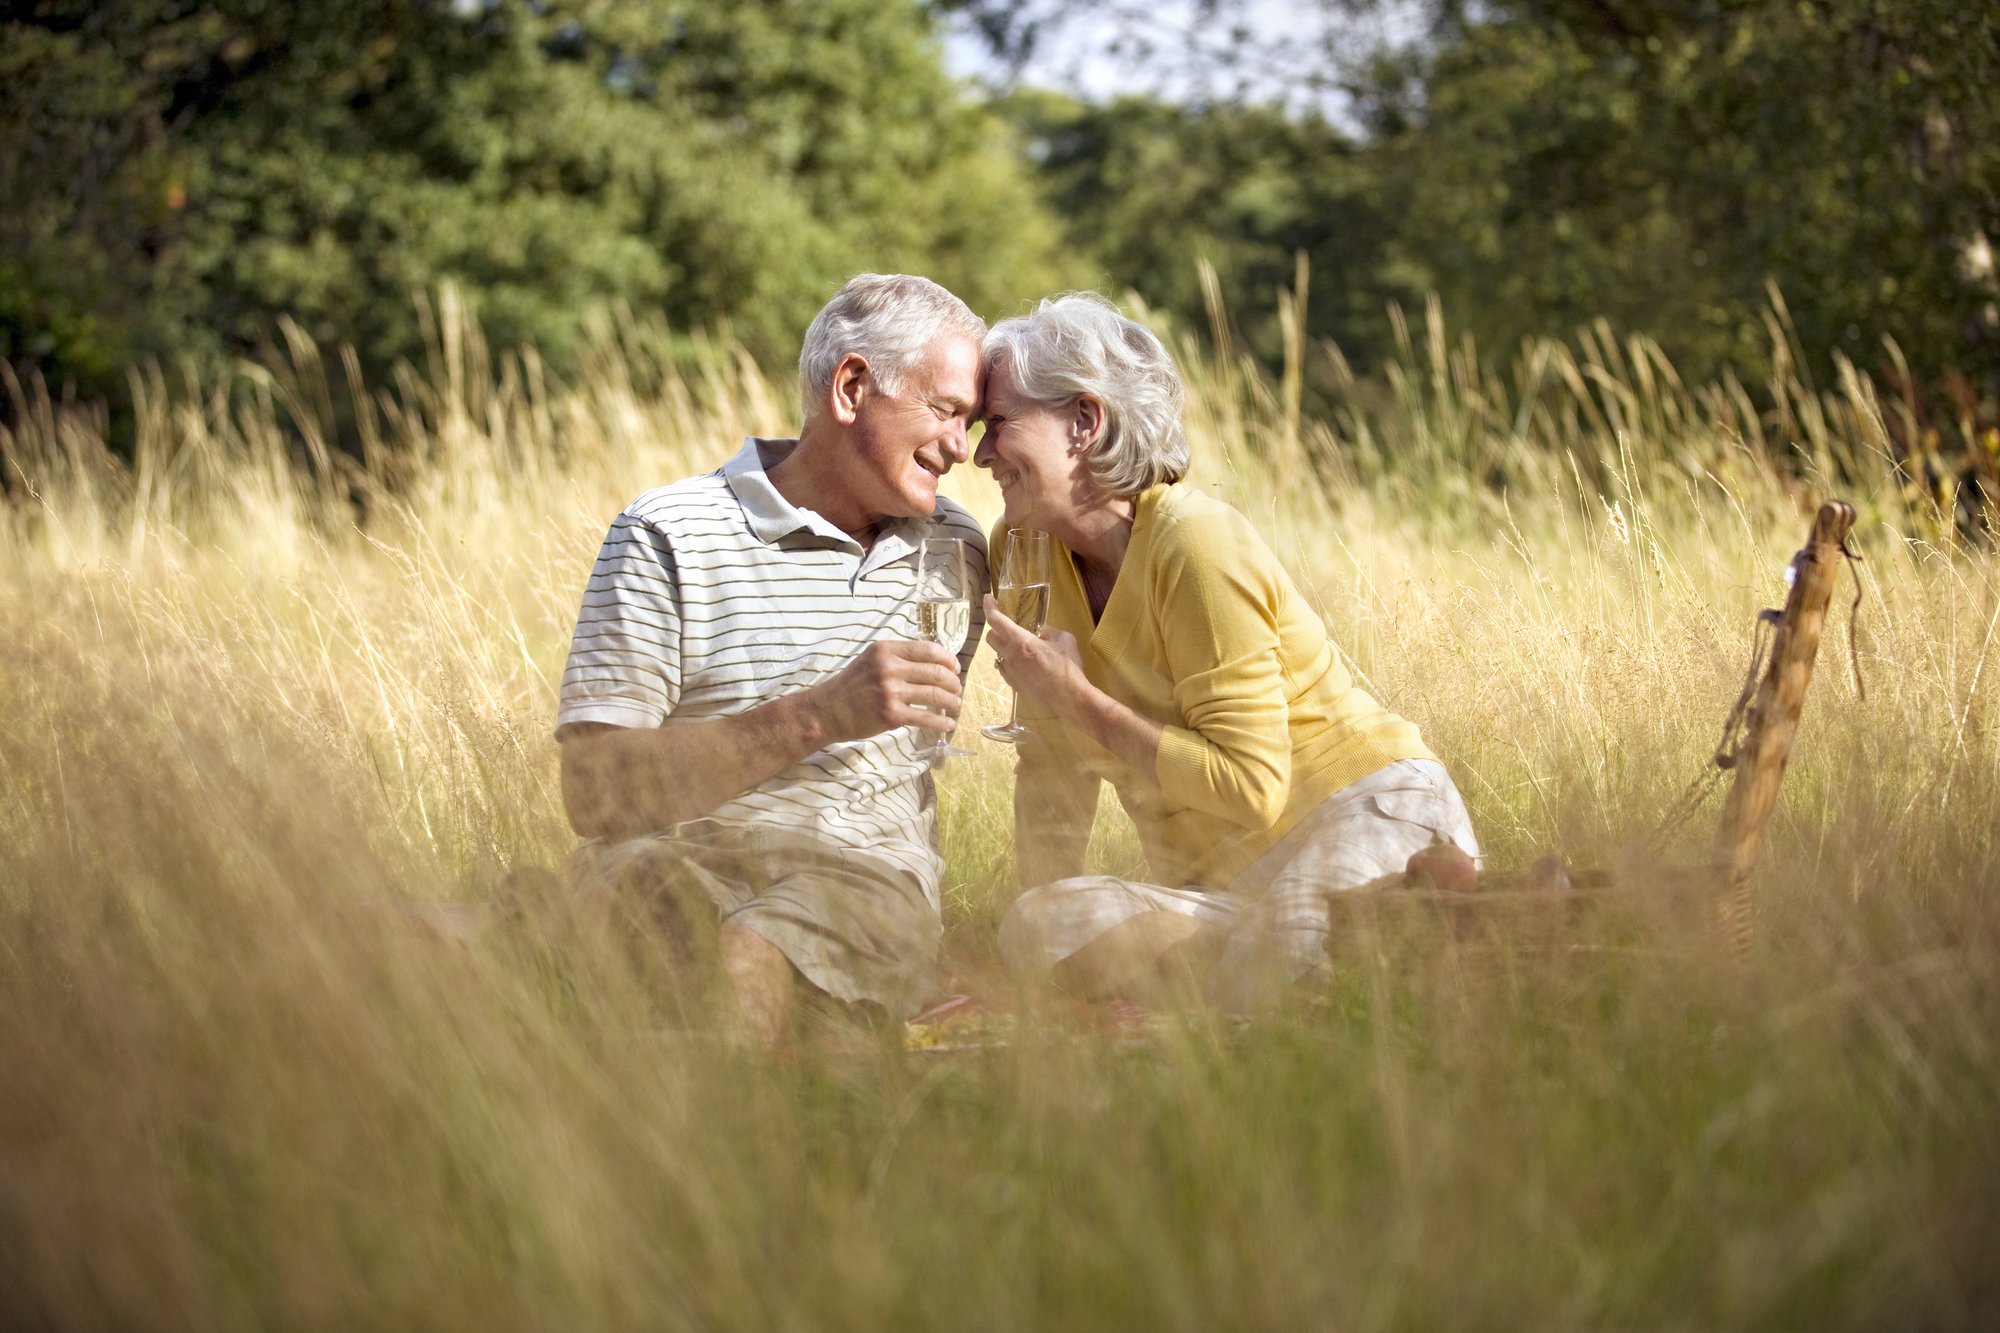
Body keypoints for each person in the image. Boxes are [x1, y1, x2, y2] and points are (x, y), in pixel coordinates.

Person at [976, 293, 1479, 1011]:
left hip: (1351, 813)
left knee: (1276, 973)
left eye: (999, 423)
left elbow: (1251, 785)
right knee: (1036, 926)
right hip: (1219, 892)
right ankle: (1343, 953)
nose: (980, 453)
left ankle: (1350, 940)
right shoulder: (1021, 549)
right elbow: (1053, 770)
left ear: (1084, 422)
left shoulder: (1194, 542)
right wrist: (1038, 967)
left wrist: (1077, 699)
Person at [555, 274, 988, 1047]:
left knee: (748, 952)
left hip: (857, 875)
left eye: (972, 421)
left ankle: (718, 1111)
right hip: (672, 860)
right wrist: (818, 716)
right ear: (851, 388)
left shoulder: (956, 548)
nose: (962, 447)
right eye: (946, 410)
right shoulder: (666, 533)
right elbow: (592, 793)